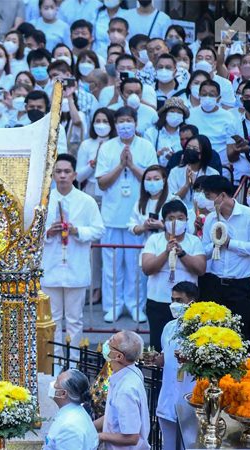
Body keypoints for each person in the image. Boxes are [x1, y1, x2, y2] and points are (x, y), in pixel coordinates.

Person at [95, 107, 157, 322]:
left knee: (135, 267)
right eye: (121, 121)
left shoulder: (146, 146)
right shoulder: (107, 147)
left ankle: (135, 305)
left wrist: (132, 165)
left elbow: (153, 180)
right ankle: (113, 306)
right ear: (115, 124)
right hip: (111, 216)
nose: (125, 125)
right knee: (112, 267)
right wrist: (121, 165)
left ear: (136, 122)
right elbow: (102, 182)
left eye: (129, 120)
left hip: (137, 217)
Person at [42, 154, 104, 354]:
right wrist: (49, 232)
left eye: (67, 172)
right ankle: (55, 361)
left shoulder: (86, 201)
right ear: (52, 175)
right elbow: (33, 233)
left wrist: (77, 231)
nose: (62, 176)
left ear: (74, 174)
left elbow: (98, 229)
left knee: (75, 319)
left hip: (76, 267)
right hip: (51, 268)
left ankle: (75, 360)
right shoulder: (45, 201)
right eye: (58, 172)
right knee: (53, 319)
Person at [141, 200, 205, 351]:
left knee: (185, 348)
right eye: (171, 218)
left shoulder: (194, 241)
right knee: (157, 346)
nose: (176, 222)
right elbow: (147, 268)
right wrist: (166, 252)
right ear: (163, 222)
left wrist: (182, 253)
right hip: (159, 301)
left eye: (181, 218)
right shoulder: (154, 240)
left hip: (186, 304)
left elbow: (200, 269)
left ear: (186, 220)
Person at [200, 175, 250, 352]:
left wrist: (230, 243)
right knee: (214, 336)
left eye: (209, 196)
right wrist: (216, 243)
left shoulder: (249, 216)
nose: (206, 201)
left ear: (222, 196)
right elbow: (204, 251)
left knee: (241, 335)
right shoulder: (210, 219)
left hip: (240, 286)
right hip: (214, 284)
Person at [154, 281, 197, 450]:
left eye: (179, 300)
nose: (174, 304)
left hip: (190, 398)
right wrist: (154, 359)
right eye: (172, 299)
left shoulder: (202, 330)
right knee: (169, 446)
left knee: (190, 444)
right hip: (167, 397)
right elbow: (164, 358)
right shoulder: (169, 327)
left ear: (191, 303)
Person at [94, 330, 150, 449]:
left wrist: (101, 436)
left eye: (111, 342)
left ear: (119, 356)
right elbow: (113, 415)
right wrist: (89, 426)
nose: (106, 343)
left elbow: (132, 438)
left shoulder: (126, 390)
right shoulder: (129, 371)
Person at [45, 369, 99, 450]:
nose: (52, 384)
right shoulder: (74, 412)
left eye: (56, 382)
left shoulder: (70, 427)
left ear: (63, 394)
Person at [167, 135, 219, 208]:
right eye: (188, 148)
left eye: (194, 149)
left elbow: (213, 201)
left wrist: (196, 185)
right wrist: (186, 185)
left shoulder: (213, 174)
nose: (190, 151)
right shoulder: (175, 172)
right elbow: (170, 201)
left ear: (203, 153)